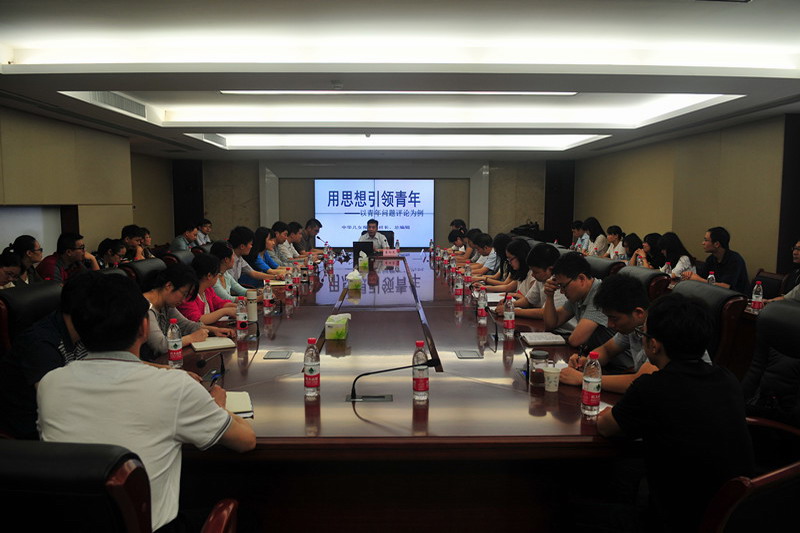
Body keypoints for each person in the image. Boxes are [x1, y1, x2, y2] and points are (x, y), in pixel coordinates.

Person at [37, 272, 255, 532]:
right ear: (143, 328)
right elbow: (246, 441)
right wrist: (218, 406)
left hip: (74, 523)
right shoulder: (174, 386)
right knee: (248, 506)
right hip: (151, 527)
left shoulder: (51, 383)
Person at [597, 293, 754, 532]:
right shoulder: (727, 378)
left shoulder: (652, 387)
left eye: (644, 335)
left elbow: (606, 426)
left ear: (653, 345)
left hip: (677, 518)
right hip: (734, 511)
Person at [142, 264, 233, 359]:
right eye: (184, 294)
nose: (184, 301)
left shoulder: (166, 304)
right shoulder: (145, 307)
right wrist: (191, 338)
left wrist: (214, 330)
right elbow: (161, 346)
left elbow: (186, 325)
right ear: (168, 286)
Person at [543, 252, 614, 350]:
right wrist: (549, 296)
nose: (562, 291)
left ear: (581, 279)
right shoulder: (578, 296)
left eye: (563, 286)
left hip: (616, 359)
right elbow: (551, 324)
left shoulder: (600, 294)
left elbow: (575, 340)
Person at [496, 243, 574, 329]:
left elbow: (544, 313)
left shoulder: (560, 283)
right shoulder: (541, 279)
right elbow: (528, 301)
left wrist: (511, 310)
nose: (533, 275)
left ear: (550, 269)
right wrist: (510, 305)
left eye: (536, 272)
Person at [682, 226, 749, 293]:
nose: (703, 243)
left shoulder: (735, 260)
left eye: (706, 240)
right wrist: (690, 274)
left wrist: (698, 279)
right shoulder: (711, 259)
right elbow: (702, 277)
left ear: (716, 244)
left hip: (736, 297)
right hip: (715, 294)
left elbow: (726, 287)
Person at [178, 254, 237, 324]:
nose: (218, 277)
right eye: (217, 274)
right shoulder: (188, 294)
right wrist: (226, 311)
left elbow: (219, 303)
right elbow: (198, 320)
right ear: (209, 276)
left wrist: (239, 306)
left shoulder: (207, 290)